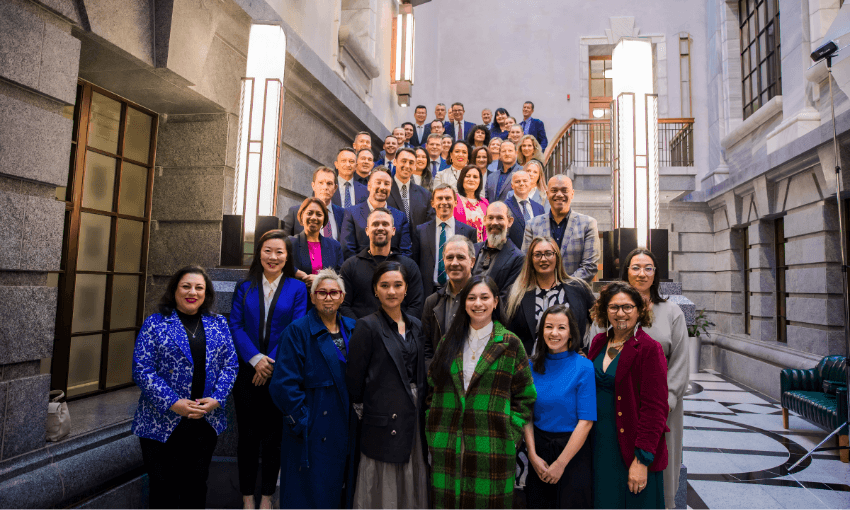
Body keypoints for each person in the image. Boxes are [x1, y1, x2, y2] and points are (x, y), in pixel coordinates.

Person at [132, 265, 238, 509]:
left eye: (199, 287)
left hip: (203, 420)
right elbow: (142, 369)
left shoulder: (218, 323)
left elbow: (231, 366)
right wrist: (173, 403)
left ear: (206, 293)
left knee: (196, 486)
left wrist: (218, 399)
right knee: (163, 488)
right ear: (174, 290)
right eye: (186, 286)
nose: (193, 292)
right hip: (162, 422)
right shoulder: (155, 324)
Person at [426, 275, 536, 509]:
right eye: (472, 298)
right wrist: (434, 430)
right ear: (464, 302)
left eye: (485, 297)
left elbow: (525, 397)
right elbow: (432, 388)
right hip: (448, 444)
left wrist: (510, 436)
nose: (478, 304)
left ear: (495, 302)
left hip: (492, 446)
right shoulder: (448, 341)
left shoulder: (510, 344)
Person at [228, 231, 308, 509]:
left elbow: (295, 328)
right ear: (259, 253)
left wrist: (270, 362)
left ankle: (266, 497)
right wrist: (255, 359)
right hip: (247, 374)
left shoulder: (297, 289)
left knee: (274, 439)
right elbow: (235, 326)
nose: (273, 257)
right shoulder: (244, 287)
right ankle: (247, 497)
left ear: (288, 257)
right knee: (247, 439)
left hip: (280, 375)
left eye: (279, 252)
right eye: (267, 251)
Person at [269, 269, 358, 509]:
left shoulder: (354, 328)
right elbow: (282, 384)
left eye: (333, 293)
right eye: (322, 293)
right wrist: (303, 420)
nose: (328, 297)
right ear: (312, 297)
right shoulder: (297, 331)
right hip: (312, 429)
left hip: (346, 426)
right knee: (308, 496)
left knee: (341, 492)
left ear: (342, 296)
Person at [346, 261, 429, 508]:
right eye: (384, 286)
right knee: (384, 480)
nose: (391, 291)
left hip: (413, 416)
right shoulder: (367, 325)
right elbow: (354, 377)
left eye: (397, 285)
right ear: (375, 290)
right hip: (382, 416)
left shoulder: (416, 325)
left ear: (406, 290)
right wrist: (366, 411)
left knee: (412, 471)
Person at [588, 281, 669, 509]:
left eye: (627, 307)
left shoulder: (648, 349)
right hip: (599, 446)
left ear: (639, 311)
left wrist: (641, 460)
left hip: (631, 447)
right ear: (605, 311)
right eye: (614, 307)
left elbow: (655, 409)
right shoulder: (599, 342)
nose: (620, 313)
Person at [623, 248, 688, 509]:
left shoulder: (672, 312)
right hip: (621, 403)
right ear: (626, 271)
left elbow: (680, 362)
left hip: (663, 408)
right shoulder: (610, 309)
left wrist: (666, 402)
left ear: (656, 274)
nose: (641, 273)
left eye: (648, 268)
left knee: (661, 471)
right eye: (635, 267)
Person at [524, 305, 595, 509]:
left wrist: (560, 464)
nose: (554, 333)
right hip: (539, 453)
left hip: (572, 454)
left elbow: (586, 422)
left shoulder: (584, 367)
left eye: (561, 328)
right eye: (549, 327)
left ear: (571, 332)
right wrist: (532, 454)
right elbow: (527, 414)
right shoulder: (531, 366)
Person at [503, 236, 595, 355]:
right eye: (537, 255)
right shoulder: (516, 294)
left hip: (570, 365)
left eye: (548, 253)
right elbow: (508, 334)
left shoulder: (579, 288)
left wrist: (589, 352)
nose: (543, 259)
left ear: (557, 257)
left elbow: (600, 322)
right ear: (530, 259)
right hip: (530, 367)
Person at [339, 207, 424, 319]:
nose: (380, 228)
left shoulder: (409, 266)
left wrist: (400, 329)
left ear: (393, 230)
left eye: (385, 224)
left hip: (400, 333)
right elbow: (343, 304)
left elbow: (416, 305)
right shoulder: (350, 266)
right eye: (375, 224)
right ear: (367, 230)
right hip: (361, 333)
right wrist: (360, 329)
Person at [522, 174, 600, 283]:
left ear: (572, 194)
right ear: (547, 194)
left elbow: (589, 266)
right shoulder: (532, 225)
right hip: (541, 292)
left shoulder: (588, 224)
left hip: (576, 294)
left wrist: (562, 287)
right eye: (554, 190)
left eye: (564, 190)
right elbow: (526, 264)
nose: (559, 194)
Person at [414, 184, 477, 298]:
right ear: (432, 203)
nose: (444, 202)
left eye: (448, 198)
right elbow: (415, 263)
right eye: (440, 198)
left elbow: (473, 265)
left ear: (455, 202)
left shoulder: (468, 232)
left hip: (459, 292)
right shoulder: (421, 230)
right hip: (428, 293)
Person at [421, 235, 475, 361]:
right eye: (449, 257)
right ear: (443, 261)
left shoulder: (484, 299)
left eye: (461, 257)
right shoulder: (432, 302)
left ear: (472, 262)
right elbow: (426, 348)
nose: (454, 263)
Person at [340, 168, 412, 259]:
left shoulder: (400, 217)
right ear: (369, 186)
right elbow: (347, 249)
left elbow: (405, 252)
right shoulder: (351, 213)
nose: (382, 187)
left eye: (387, 184)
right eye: (378, 182)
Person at [472, 201, 524, 297]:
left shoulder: (518, 258)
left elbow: (507, 297)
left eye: (500, 218)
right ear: (484, 220)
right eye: (490, 218)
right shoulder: (473, 249)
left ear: (510, 222)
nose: (494, 223)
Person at [289, 198, 345, 286]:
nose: (314, 217)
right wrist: (299, 273)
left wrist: (320, 279)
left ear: (324, 219)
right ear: (302, 215)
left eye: (319, 214)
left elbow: (340, 276)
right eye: (309, 213)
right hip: (299, 297)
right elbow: (281, 265)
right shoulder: (290, 243)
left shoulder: (335, 246)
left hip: (325, 297)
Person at [282, 166, 346, 241]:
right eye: (321, 183)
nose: (325, 187)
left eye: (329, 183)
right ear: (313, 186)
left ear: (335, 188)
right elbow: (282, 241)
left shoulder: (343, 215)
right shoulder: (295, 212)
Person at [387, 147, 434, 229]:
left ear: (415, 166)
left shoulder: (425, 195)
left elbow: (429, 224)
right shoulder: (385, 190)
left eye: (411, 162)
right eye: (404, 161)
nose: (407, 166)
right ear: (395, 162)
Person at [505, 170, 544, 248]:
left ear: (530, 184)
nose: (521, 184)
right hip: (515, 256)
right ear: (512, 186)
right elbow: (504, 235)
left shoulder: (539, 208)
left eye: (525, 181)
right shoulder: (504, 207)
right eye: (517, 181)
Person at [454, 165, 489, 243]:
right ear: (462, 179)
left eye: (475, 177)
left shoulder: (485, 203)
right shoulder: (454, 199)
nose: (471, 179)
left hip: (480, 249)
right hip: (460, 245)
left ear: (480, 181)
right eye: (468, 176)